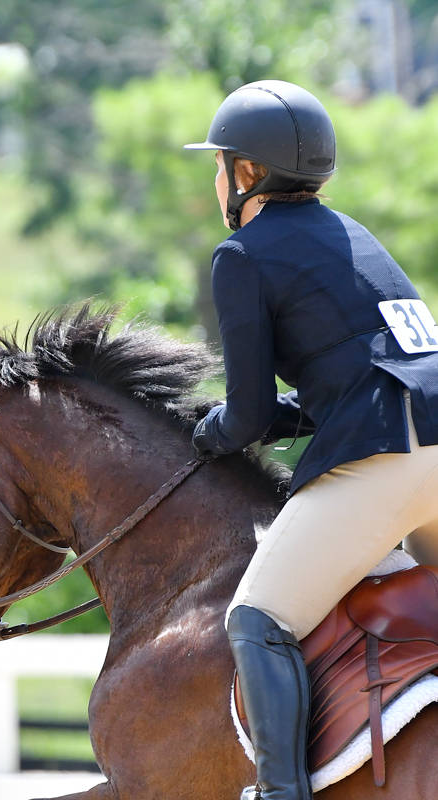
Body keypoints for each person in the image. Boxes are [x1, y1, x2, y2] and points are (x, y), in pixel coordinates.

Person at [184, 80, 438, 800]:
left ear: (246, 174)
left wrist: (203, 432)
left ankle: (280, 794)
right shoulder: (353, 233)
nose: (215, 179)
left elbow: (249, 418)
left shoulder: (243, 254)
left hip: (385, 459)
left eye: (219, 163)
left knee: (259, 618)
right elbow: (355, 374)